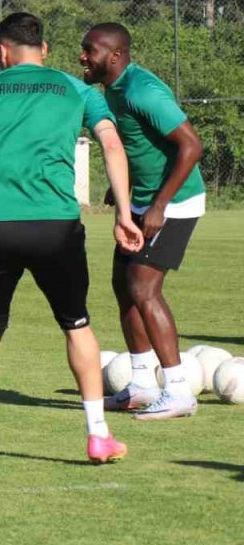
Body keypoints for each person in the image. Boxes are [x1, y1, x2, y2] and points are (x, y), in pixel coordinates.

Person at [0, 13, 144, 464]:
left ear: (1, 51)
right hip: (54, 225)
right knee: (77, 325)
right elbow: (112, 145)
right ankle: (97, 434)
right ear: (45, 50)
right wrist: (124, 215)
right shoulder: (76, 89)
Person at [81, 23, 207, 420]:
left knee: (143, 287)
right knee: (123, 285)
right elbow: (140, 145)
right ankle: (140, 384)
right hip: (141, 201)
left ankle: (179, 390)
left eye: (91, 50)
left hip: (175, 203)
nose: (83, 56)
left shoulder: (141, 90)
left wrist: (159, 205)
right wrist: (126, 190)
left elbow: (192, 145)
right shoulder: (113, 89)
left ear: (115, 56)